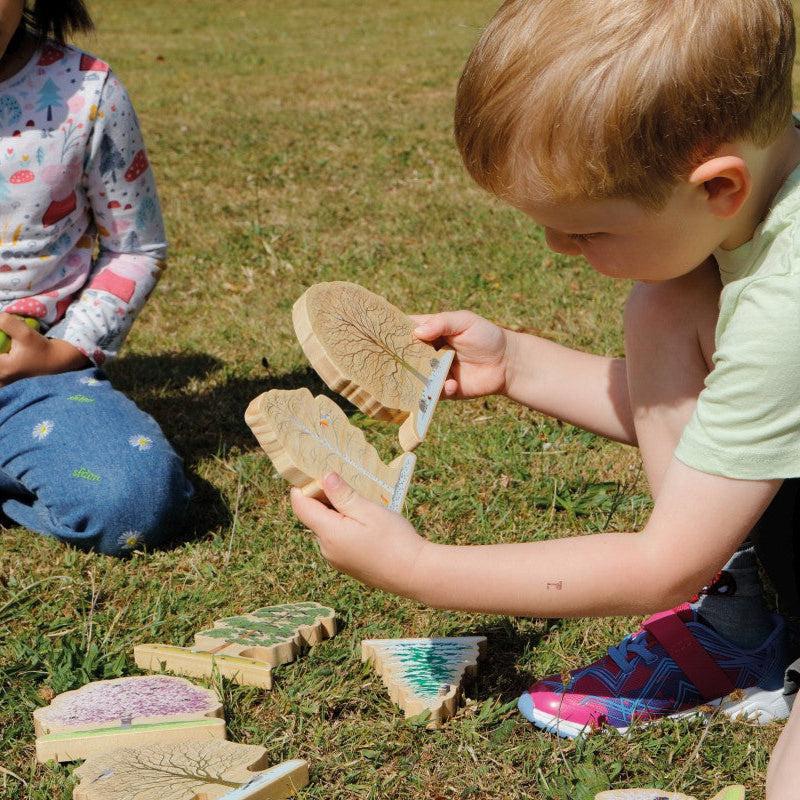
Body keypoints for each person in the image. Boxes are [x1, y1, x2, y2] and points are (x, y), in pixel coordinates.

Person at [290, 1, 800, 796]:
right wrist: (519, 365)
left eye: (585, 231)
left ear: (719, 185)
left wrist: (420, 567)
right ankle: (744, 624)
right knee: (663, 297)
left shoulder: (786, 309)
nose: (559, 251)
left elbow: (665, 564)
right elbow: (734, 420)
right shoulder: (761, 187)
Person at [0, 0, 192, 556]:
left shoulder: (85, 92)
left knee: (136, 497)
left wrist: (63, 352)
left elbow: (136, 248)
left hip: (32, 389)